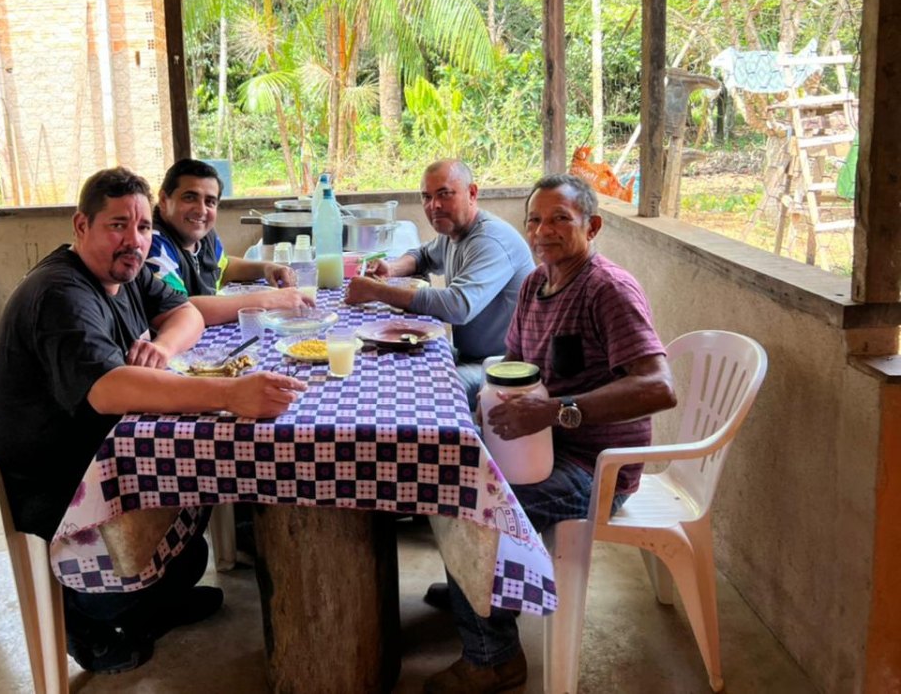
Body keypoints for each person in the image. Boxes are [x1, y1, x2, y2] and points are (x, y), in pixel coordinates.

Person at [0, 167, 306, 675]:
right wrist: (231, 394)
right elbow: (110, 391)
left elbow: (187, 312)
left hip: (99, 448)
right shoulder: (62, 294)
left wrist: (162, 346)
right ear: (81, 226)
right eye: (118, 225)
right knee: (139, 555)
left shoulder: (125, 272)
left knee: (190, 549)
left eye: (143, 227)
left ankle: (153, 602)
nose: (134, 240)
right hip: (39, 474)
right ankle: (82, 618)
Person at [422, 173, 676, 694]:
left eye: (561, 218)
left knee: (470, 506)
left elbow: (658, 387)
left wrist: (556, 412)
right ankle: (481, 587)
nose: (544, 231)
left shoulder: (607, 290)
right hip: (544, 447)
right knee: (446, 465)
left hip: (596, 469)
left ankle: (494, 658)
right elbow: (513, 364)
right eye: (535, 220)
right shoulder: (537, 283)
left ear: (592, 225)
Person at [344, 159, 535, 404]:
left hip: (501, 365)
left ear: (472, 193)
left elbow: (457, 306)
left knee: (425, 392)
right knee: (385, 363)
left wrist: (378, 291)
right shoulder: (453, 231)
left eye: (445, 194)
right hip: (467, 354)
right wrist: (391, 268)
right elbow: (423, 256)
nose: (434, 205)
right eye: (427, 197)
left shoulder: (490, 240)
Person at [148, 158, 313, 325]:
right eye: (189, 198)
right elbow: (179, 310)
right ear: (163, 200)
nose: (201, 210)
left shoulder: (204, 235)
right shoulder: (153, 244)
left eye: (210, 202)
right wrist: (269, 300)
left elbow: (223, 268)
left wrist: (266, 268)